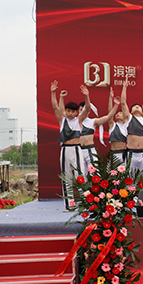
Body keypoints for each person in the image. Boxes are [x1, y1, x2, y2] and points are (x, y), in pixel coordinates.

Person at [51, 81, 90, 209]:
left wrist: (86, 96)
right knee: (66, 177)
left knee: (80, 176)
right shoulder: (62, 120)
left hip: (76, 149)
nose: (70, 113)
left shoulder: (79, 120)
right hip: (65, 150)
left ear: (76, 112)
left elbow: (87, 109)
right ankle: (69, 205)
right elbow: (56, 107)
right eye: (68, 111)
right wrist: (53, 93)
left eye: (73, 111)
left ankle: (85, 204)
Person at [120, 81, 143, 179]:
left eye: (139, 107)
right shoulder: (129, 118)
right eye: (134, 106)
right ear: (131, 112)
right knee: (129, 179)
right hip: (131, 153)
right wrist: (124, 87)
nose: (137, 106)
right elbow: (123, 102)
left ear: (142, 113)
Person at [76, 91, 120, 171]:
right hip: (78, 150)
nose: (82, 112)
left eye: (84, 110)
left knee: (94, 173)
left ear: (88, 112)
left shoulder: (93, 122)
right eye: (81, 110)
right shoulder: (74, 122)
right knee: (80, 174)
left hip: (90, 150)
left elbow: (108, 117)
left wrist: (116, 105)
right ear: (78, 111)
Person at [107, 87, 129, 166]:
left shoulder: (126, 126)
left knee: (123, 173)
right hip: (113, 154)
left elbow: (124, 103)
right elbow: (110, 113)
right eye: (117, 113)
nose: (118, 114)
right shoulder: (112, 125)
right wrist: (110, 98)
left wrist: (124, 87)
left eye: (121, 113)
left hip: (123, 154)